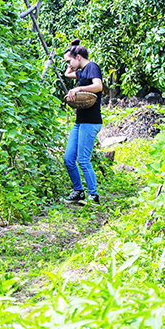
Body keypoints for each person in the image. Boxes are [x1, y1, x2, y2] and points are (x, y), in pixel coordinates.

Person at [62, 40, 103, 205]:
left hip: (91, 121)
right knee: (68, 158)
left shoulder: (92, 67)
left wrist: (78, 89)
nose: (68, 64)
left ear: (78, 57)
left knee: (83, 159)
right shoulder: (82, 71)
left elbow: (98, 86)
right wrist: (72, 51)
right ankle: (78, 192)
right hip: (80, 121)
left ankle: (94, 196)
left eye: (69, 60)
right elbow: (67, 74)